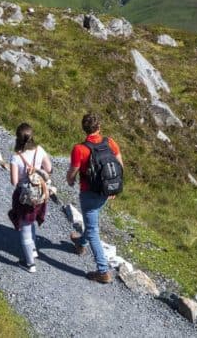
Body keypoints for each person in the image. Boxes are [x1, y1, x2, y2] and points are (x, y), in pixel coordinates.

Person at [66, 113, 123, 284]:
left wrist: (69, 180)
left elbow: (74, 170)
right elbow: (119, 164)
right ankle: (80, 243)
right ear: (99, 127)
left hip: (89, 193)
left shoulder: (79, 149)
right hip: (106, 191)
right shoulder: (110, 142)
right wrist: (114, 186)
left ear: (84, 129)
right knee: (92, 221)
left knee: (92, 230)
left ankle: (103, 271)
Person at [8, 123, 53, 272]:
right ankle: (33, 249)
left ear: (17, 138)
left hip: (25, 196)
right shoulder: (39, 150)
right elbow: (49, 169)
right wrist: (37, 170)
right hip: (40, 193)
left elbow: (14, 182)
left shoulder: (16, 158)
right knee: (32, 220)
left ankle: (29, 264)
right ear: (31, 136)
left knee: (25, 227)